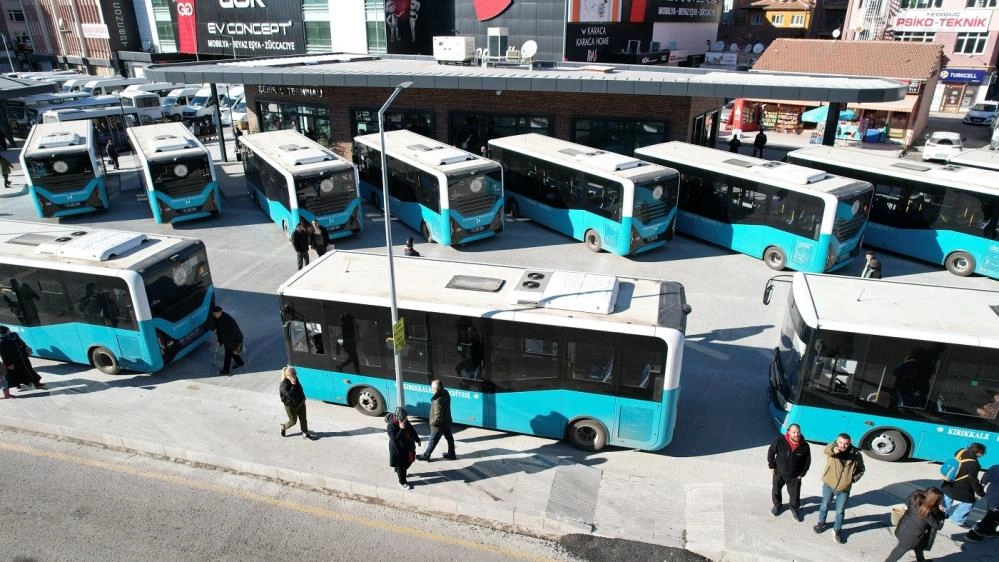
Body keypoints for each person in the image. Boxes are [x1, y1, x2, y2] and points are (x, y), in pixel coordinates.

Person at [814, 433, 865, 544]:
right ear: (837, 441)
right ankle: (821, 523)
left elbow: (861, 469)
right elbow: (826, 450)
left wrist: (852, 479)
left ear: (850, 443)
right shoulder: (832, 449)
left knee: (840, 511)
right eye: (841, 442)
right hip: (829, 484)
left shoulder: (856, 455)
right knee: (824, 505)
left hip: (844, 488)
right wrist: (834, 450)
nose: (843, 445)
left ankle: (837, 529)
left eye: (846, 443)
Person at [885, 487, 945, 562]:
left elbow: (907, 502)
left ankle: (921, 560)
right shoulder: (927, 512)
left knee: (919, 546)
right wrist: (942, 513)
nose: (940, 502)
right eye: (939, 500)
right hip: (910, 537)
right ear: (932, 501)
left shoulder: (915, 495)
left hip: (903, 527)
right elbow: (937, 526)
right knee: (898, 551)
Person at [767, 423, 811, 521]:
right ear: (789, 432)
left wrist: (802, 474)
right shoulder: (780, 441)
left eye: (798, 432)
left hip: (795, 476)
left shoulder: (805, 445)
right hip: (779, 473)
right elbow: (771, 452)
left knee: (795, 495)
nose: (796, 434)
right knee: (776, 490)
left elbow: (807, 461)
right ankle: (777, 505)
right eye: (794, 432)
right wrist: (771, 466)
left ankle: (794, 509)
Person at [941, 443, 986, 527]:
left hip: (949, 482)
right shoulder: (974, 464)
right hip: (960, 487)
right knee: (969, 502)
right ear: (979, 453)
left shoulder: (961, 451)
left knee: (947, 497)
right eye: (982, 454)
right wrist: (980, 492)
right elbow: (973, 481)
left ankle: (941, 513)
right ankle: (957, 519)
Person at [417, 379, 456, 462]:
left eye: (432, 388)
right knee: (449, 438)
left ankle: (426, 455)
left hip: (439, 425)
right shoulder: (445, 392)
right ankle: (452, 454)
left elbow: (438, 418)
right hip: (447, 421)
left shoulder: (437, 401)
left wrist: (431, 422)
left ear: (436, 389)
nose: (431, 389)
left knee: (433, 440)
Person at [386, 407, 421, 490]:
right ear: (400, 418)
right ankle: (402, 482)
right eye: (405, 417)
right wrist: (401, 429)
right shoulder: (391, 426)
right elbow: (395, 439)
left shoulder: (404, 421)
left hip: (408, 447)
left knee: (410, 460)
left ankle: (398, 470)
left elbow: (412, 430)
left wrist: (417, 440)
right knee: (402, 466)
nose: (406, 418)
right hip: (398, 450)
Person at [0, 325, 44, 390]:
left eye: (9, 330)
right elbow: (3, 354)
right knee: (17, 373)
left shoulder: (14, 335)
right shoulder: (2, 341)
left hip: (23, 357)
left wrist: (26, 348)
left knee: (29, 369)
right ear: (4, 332)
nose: (9, 331)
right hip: (14, 361)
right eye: (8, 331)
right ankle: (23, 384)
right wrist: (8, 364)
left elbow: (21, 342)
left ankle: (35, 383)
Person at [279, 366, 316, 440]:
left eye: (295, 373)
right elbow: (289, 395)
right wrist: (293, 385)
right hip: (291, 406)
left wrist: (303, 398)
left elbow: (300, 388)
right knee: (293, 421)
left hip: (300, 402)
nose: (295, 375)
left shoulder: (295, 379)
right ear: (288, 375)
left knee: (303, 419)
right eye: (293, 374)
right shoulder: (283, 385)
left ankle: (305, 432)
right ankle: (283, 427)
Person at [967, 462, 999, 541]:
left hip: (991, 495)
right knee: (991, 517)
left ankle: (989, 531)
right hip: (997, 500)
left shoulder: (995, 467)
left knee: (992, 515)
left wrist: (980, 490)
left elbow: (984, 479)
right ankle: (973, 534)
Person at [210, 306, 244, 375]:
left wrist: (239, 342)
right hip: (226, 339)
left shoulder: (228, 320)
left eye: (215, 314)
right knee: (231, 352)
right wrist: (220, 339)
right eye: (214, 314)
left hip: (232, 340)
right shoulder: (217, 318)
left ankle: (226, 370)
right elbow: (218, 329)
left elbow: (236, 331)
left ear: (220, 312)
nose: (214, 315)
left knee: (228, 354)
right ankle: (240, 362)